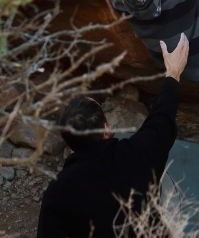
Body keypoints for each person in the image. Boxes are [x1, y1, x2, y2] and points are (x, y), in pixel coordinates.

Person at [36, 32, 189, 238]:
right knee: (168, 187)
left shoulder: (57, 193)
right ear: (106, 128)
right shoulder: (138, 155)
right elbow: (161, 119)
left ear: (69, 142)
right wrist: (173, 73)